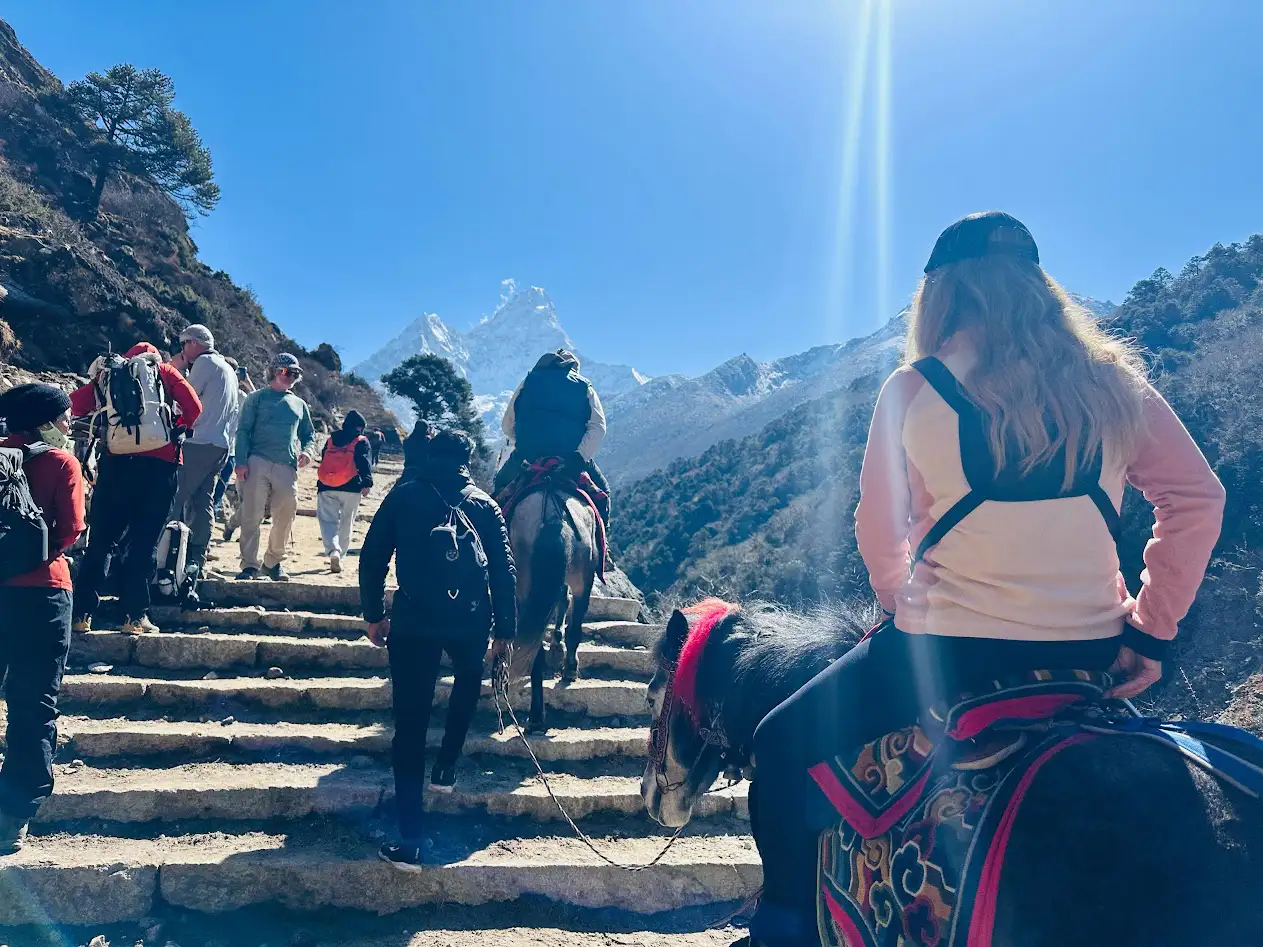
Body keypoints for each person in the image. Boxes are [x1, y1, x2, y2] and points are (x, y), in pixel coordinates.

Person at [737, 212, 1227, 947]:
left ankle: (785, 931)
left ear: (939, 294)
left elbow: (877, 524)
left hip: (950, 648)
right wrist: (1149, 629)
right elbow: (1196, 498)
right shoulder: (1114, 384)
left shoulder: (912, 387)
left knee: (777, 745)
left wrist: (897, 597)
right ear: (1038, 288)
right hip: (1089, 647)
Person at [360, 430, 517, 870]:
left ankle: (410, 841)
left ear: (430, 455)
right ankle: (447, 764)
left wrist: (374, 614)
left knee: (409, 726)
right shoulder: (485, 505)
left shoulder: (405, 496)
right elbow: (504, 571)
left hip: (412, 621)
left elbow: (373, 556)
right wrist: (505, 630)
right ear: (467, 461)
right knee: (468, 680)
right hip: (470, 620)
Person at [0, 384, 86, 853]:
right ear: (42, 422)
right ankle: (12, 816)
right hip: (43, 593)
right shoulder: (60, 463)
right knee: (33, 706)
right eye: (64, 416)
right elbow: (71, 528)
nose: (70, 424)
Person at [71, 342, 202, 634]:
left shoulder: (109, 375)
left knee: (102, 542)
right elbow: (194, 407)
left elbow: (76, 405)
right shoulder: (165, 372)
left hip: (116, 465)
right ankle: (134, 617)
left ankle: (81, 615)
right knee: (144, 544)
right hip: (160, 468)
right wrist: (176, 427)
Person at [493, 350, 610, 530]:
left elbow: (507, 424)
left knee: (500, 485)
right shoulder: (584, 386)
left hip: (528, 457)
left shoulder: (529, 381)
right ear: (573, 368)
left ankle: (492, 543)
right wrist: (579, 457)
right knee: (603, 494)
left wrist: (525, 443)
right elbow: (598, 426)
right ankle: (605, 550)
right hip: (569, 459)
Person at [234, 353, 315, 582]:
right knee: (251, 514)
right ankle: (249, 565)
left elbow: (309, 434)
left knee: (286, 511)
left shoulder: (299, 404)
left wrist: (308, 452)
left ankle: (273, 561)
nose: (290, 376)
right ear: (273, 371)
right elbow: (243, 431)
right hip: (256, 460)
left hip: (287, 466)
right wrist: (241, 461)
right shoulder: (256, 398)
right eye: (286, 371)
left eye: (295, 373)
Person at [168, 325, 239, 574]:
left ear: (194, 343)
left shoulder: (204, 364)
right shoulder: (228, 369)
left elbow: (183, 398)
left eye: (184, 343)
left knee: (174, 498)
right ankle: (196, 558)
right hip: (220, 445)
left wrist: (174, 369)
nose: (183, 348)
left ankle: (166, 556)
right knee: (202, 502)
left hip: (197, 442)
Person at [316, 409, 374, 573]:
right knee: (347, 522)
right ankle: (340, 557)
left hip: (326, 486)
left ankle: (333, 550)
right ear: (360, 427)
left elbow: (324, 458)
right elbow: (364, 462)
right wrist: (367, 483)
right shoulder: (361, 441)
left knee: (328, 521)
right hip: (352, 487)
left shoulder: (332, 439)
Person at [212, 357, 253, 522]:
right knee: (216, 494)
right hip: (229, 451)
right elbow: (259, 401)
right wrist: (247, 383)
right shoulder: (242, 396)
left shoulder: (213, 388)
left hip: (209, 445)